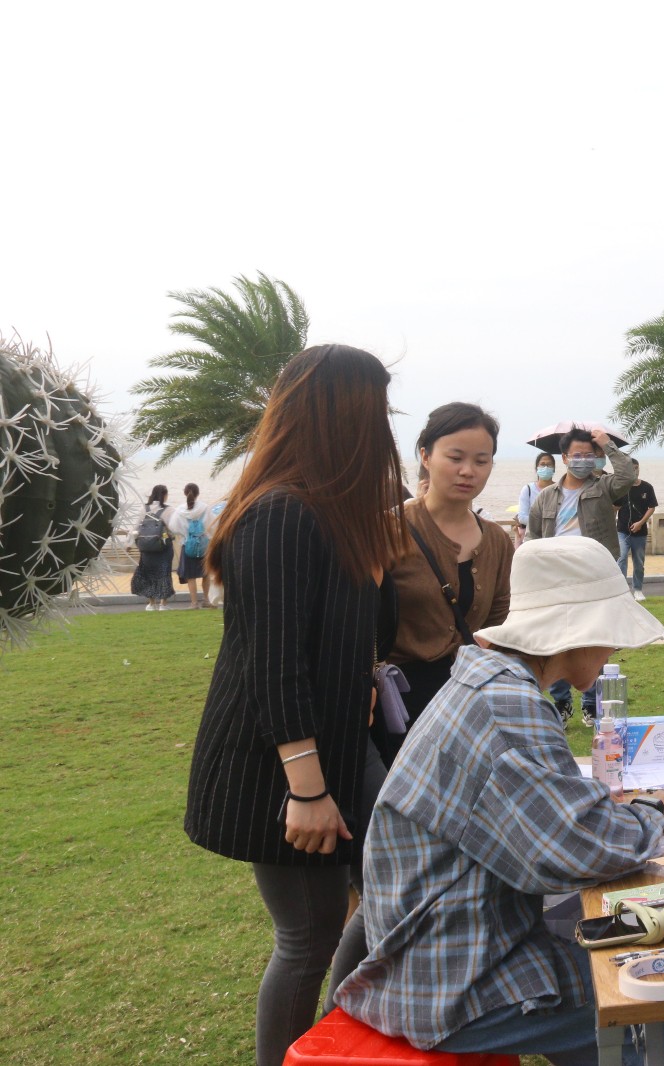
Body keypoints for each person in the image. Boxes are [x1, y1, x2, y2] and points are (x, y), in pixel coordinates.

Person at [334, 537, 664, 1065]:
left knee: (646, 967)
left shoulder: (492, 685)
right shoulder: (507, 707)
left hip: (447, 951)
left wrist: (621, 816)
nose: (616, 650)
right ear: (578, 633)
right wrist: (650, 814)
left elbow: (554, 820)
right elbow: (575, 850)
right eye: (610, 634)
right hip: (453, 981)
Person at [184, 344, 408, 1066]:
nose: (384, 425)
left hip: (343, 749)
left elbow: (357, 637)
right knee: (307, 935)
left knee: (404, 880)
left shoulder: (340, 516)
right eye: (375, 407)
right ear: (339, 414)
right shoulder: (278, 514)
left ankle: (346, 1032)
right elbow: (273, 667)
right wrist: (306, 791)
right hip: (280, 765)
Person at [376, 402, 514, 766]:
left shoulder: (496, 541)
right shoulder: (387, 531)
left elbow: (499, 623)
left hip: (467, 701)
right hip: (400, 703)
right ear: (425, 455)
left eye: (481, 461)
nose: (468, 471)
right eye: (455, 457)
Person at [526, 426, 639, 721]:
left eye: (589, 455)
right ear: (564, 458)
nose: (583, 460)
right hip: (556, 578)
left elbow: (628, 476)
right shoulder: (546, 497)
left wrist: (608, 445)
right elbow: (532, 538)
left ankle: (591, 703)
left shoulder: (603, 487)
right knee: (556, 643)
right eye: (577, 455)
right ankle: (561, 702)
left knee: (593, 641)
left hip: (592, 576)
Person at [166, 483, 214, 608]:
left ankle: (194, 602)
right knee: (206, 574)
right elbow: (213, 525)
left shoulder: (180, 510)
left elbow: (173, 527)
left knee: (191, 576)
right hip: (204, 545)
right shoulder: (205, 508)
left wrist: (185, 534)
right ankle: (206, 600)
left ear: (185, 493)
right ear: (198, 493)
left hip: (187, 545)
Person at [132, 485, 176, 610]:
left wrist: (129, 543)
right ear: (164, 495)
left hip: (146, 548)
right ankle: (163, 604)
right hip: (163, 547)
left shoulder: (144, 509)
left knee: (148, 574)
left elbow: (136, 528)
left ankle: (151, 604)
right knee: (164, 573)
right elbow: (174, 528)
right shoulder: (169, 510)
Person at [617, 471, 658, 600]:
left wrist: (640, 523)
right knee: (621, 558)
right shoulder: (621, 488)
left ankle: (638, 590)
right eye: (631, 468)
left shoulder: (647, 487)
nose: (634, 471)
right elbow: (614, 506)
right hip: (622, 531)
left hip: (640, 533)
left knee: (639, 562)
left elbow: (652, 507)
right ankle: (622, 590)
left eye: (636, 468)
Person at [516, 452, 557, 545]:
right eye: (542, 464)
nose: (546, 467)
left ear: (554, 469)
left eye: (549, 465)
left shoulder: (559, 489)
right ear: (537, 468)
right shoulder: (528, 489)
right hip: (532, 539)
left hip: (554, 538)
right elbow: (522, 517)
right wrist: (548, 522)